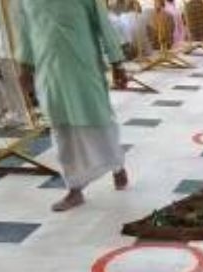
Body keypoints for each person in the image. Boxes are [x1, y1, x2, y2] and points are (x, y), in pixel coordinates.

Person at [17, 0, 129, 212]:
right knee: (61, 128)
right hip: (49, 72)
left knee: (98, 120)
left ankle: (117, 165)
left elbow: (103, 24)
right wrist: (24, 68)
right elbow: (25, 32)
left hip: (83, 68)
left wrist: (117, 63)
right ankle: (74, 189)